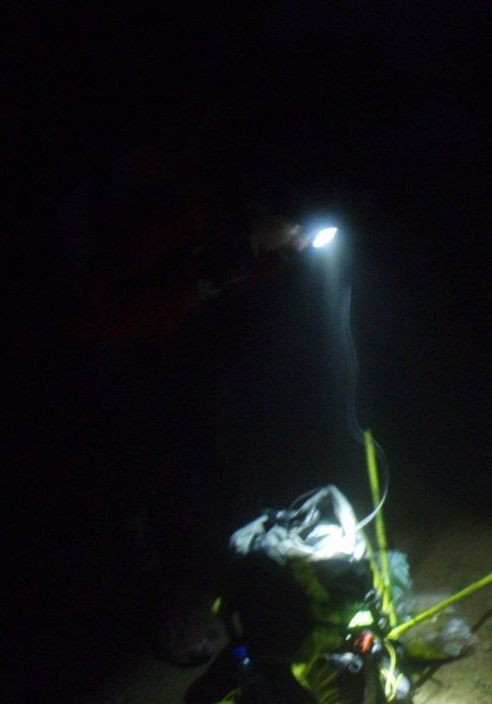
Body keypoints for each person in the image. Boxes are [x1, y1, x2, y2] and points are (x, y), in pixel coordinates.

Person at [58, 119, 311, 665]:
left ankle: (252, 563)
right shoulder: (136, 201)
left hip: (158, 320)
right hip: (96, 334)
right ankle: (155, 605)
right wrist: (230, 260)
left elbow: (207, 250)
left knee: (213, 425)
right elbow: (106, 309)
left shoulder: (198, 184)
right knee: (128, 467)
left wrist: (261, 254)